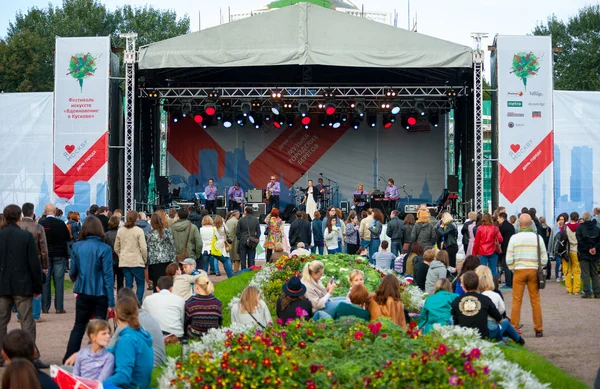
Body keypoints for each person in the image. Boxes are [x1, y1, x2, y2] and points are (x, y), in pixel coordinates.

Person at [64, 216, 114, 363]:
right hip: (101, 294)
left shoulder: (77, 246)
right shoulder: (105, 249)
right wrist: (111, 301)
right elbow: (108, 277)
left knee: (78, 327)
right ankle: (97, 359)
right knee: (100, 328)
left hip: (83, 292)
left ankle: (68, 358)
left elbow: (72, 271)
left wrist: (78, 281)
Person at [0, 205, 44, 368]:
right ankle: (30, 356)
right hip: (22, 284)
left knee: (1, 322)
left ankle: (1, 355)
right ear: (19, 217)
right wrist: (37, 286)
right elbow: (34, 264)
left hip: (3, 284)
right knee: (27, 321)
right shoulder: (25, 236)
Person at [506, 213, 548, 337]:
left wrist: (513, 268)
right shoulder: (537, 238)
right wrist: (539, 267)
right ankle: (538, 328)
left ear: (519, 224)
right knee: (535, 300)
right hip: (534, 271)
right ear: (531, 224)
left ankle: (513, 328)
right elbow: (544, 258)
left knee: (516, 301)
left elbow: (508, 258)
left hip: (519, 271)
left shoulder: (514, 238)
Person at [104, 296, 153, 389]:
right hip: (141, 384)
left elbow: (123, 376)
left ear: (116, 315)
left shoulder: (127, 340)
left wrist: (98, 384)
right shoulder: (140, 332)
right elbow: (113, 350)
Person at [475, 265, 525, 345]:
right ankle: (518, 339)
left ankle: (502, 339)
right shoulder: (495, 295)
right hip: (492, 327)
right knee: (505, 323)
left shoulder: (475, 296)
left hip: (478, 329)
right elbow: (502, 310)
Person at [18, 203, 48, 323]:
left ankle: (21, 315)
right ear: (32, 212)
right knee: (37, 285)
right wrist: (45, 265)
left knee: (21, 288)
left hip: (19, 261)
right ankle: (35, 315)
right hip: (36, 259)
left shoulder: (17, 226)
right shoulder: (38, 227)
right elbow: (43, 248)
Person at [451, 271, 503, 340]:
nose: (460, 285)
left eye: (461, 283)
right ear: (478, 284)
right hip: (482, 338)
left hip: (463, 338)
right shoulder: (485, 300)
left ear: (464, 285)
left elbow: (455, 322)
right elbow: (499, 319)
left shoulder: (456, 301)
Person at [38, 203, 70, 314]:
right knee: (59, 282)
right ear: (55, 211)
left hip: (46, 255)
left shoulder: (41, 223)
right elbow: (67, 237)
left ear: (45, 211)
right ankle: (59, 307)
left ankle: (45, 307)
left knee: (45, 282)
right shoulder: (61, 223)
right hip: (59, 254)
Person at [115, 211, 148, 304]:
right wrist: (144, 259)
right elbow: (143, 247)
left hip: (125, 261)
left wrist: (121, 255)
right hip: (137, 261)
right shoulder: (139, 231)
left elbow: (116, 247)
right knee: (140, 284)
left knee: (128, 284)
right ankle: (138, 304)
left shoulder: (120, 230)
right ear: (137, 219)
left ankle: (127, 303)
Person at [146, 212, 176, 289]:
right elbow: (172, 245)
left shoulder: (148, 234)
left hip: (154, 262)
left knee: (156, 285)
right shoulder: (167, 232)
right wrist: (173, 259)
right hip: (166, 261)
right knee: (167, 284)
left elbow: (146, 248)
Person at [576, 211, 600, 299]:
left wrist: (588, 249)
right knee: (594, 273)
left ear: (583, 218)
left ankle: (587, 292)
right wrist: (594, 248)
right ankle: (597, 292)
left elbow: (580, 241)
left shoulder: (580, 228)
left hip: (584, 253)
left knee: (585, 273)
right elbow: (599, 241)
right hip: (595, 253)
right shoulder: (596, 228)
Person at [104, 215, 124, 291]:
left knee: (110, 281)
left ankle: (110, 297)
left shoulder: (106, 235)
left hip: (110, 258)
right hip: (119, 258)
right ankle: (120, 298)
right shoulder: (121, 234)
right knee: (120, 280)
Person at [565, 212, 582, 295]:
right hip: (576, 250)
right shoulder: (579, 227)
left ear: (570, 217)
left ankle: (569, 289)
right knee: (577, 271)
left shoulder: (565, 226)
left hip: (567, 251)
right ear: (577, 218)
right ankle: (576, 290)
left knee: (568, 270)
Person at [498, 212, 516, 289]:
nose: (498, 220)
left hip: (505, 248)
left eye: (498, 218)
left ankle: (508, 283)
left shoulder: (502, 227)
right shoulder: (511, 226)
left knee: (506, 266)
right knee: (511, 265)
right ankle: (511, 281)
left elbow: (500, 238)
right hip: (511, 248)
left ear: (502, 218)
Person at [548, 213, 567, 283]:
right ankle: (556, 276)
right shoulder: (555, 227)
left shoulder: (565, 227)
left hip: (564, 247)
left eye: (562, 219)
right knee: (558, 262)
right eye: (560, 219)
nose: (561, 221)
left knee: (563, 262)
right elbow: (553, 237)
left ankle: (562, 274)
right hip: (557, 248)